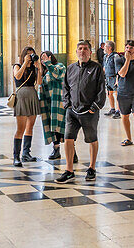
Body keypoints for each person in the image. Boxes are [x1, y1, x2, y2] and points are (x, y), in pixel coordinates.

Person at [55, 40, 106, 183]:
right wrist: (67, 104)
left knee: (92, 139)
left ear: (90, 52)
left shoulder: (96, 68)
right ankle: (69, 170)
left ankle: (91, 168)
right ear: (76, 52)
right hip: (72, 111)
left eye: (85, 49)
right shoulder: (70, 68)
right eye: (80, 49)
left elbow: (102, 90)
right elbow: (65, 87)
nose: (82, 51)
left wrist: (95, 107)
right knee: (68, 139)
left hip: (89, 112)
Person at [12, 46, 42, 166]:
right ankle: (16, 156)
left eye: (32, 54)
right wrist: (25, 63)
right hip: (22, 97)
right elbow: (17, 76)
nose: (30, 57)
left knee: (30, 127)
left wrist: (39, 69)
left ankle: (26, 153)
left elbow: (39, 82)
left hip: (32, 95)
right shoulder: (17, 66)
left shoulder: (34, 68)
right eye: (28, 55)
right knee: (20, 128)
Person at [39, 51, 67, 160]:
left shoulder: (59, 66)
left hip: (60, 101)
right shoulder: (45, 71)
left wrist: (48, 63)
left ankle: (72, 151)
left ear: (50, 57)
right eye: (41, 59)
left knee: (64, 126)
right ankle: (56, 149)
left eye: (44, 58)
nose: (43, 61)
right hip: (49, 103)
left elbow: (58, 75)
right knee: (53, 127)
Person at [102, 41, 119, 117]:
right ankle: (112, 109)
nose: (104, 47)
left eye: (105, 46)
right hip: (108, 78)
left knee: (117, 94)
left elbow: (118, 69)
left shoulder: (115, 56)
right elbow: (104, 67)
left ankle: (118, 111)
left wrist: (117, 80)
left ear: (110, 48)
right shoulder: (105, 56)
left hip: (114, 78)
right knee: (109, 94)